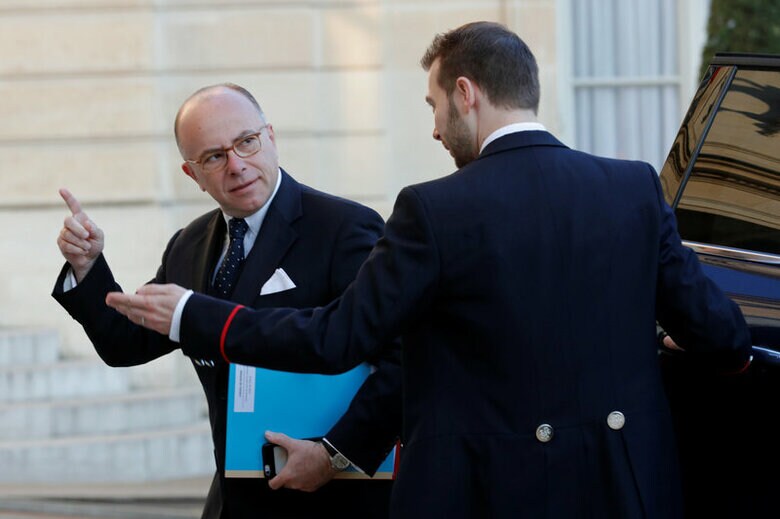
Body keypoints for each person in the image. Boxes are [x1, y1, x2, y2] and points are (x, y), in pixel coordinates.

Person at [106, 22, 752, 518]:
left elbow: (338, 337)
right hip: (626, 488)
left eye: (433, 104)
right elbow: (723, 335)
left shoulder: (434, 207)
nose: (436, 129)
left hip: (485, 493)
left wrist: (195, 313)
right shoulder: (632, 189)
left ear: (465, 94)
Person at [52, 83, 401, 519]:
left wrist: (334, 455)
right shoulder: (189, 244)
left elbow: (401, 363)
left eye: (246, 143)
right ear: (192, 174)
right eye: (214, 157)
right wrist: (87, 267)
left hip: (331, 497)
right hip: (234, 499)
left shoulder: (344, 228)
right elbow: (127, 344)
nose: (236, 165)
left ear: (271, 137)